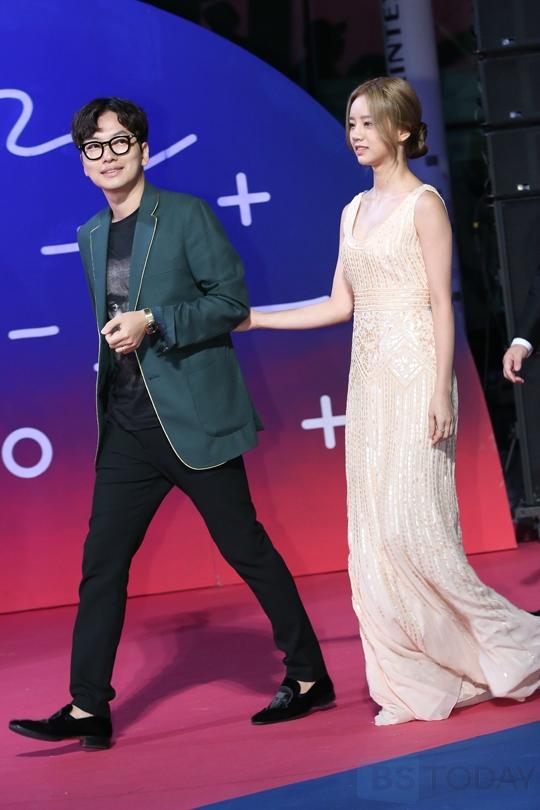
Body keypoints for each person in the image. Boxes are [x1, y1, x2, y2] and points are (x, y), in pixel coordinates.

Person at [8, 98, 334, 750]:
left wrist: (154, 321)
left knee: (245, 548)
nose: (108, 156)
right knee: (101, 565)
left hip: (192, 419)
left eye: (119, 142)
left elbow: (230, 302)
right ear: (82, 163)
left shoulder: (185, 216)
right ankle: (88, 707)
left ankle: (308, 675)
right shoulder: (90, 235)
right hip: (126, 426)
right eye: (94, 147)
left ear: (143, 149)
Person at [238, 77, 540, 725]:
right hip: (370, 383)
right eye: (351, 122)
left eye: (368, 122)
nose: (356, 134)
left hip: (418, 375)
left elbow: (440, 304)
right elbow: (338, 305)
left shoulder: (424, 205)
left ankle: (519, 644)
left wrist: (440, 391)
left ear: (401, 130)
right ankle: (411, 679)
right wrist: (257, 318)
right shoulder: (352, 211)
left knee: (417, 532)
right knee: (374, 536)